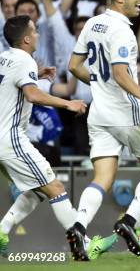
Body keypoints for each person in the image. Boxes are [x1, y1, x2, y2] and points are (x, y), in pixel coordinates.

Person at [66, 0, 140, 261]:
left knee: (102, 178)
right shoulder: (122, 31)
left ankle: (79, 224)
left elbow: (74, 66)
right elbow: (121, 73)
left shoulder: (92, 23)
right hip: (127, 115)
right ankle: (129, 221)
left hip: (99, 114)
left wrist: (99, 82)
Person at [0, 15, 89, 258]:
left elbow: (10, 84)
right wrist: (67, 104)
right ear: (27, 39)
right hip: (10, 139)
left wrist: (35, 74)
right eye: (35, 31)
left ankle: (2, 230)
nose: (38, 34)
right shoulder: (24, 60)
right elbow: (33, 96)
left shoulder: (4, 58)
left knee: (37, 189)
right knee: (55, 187)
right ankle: (84, 242)